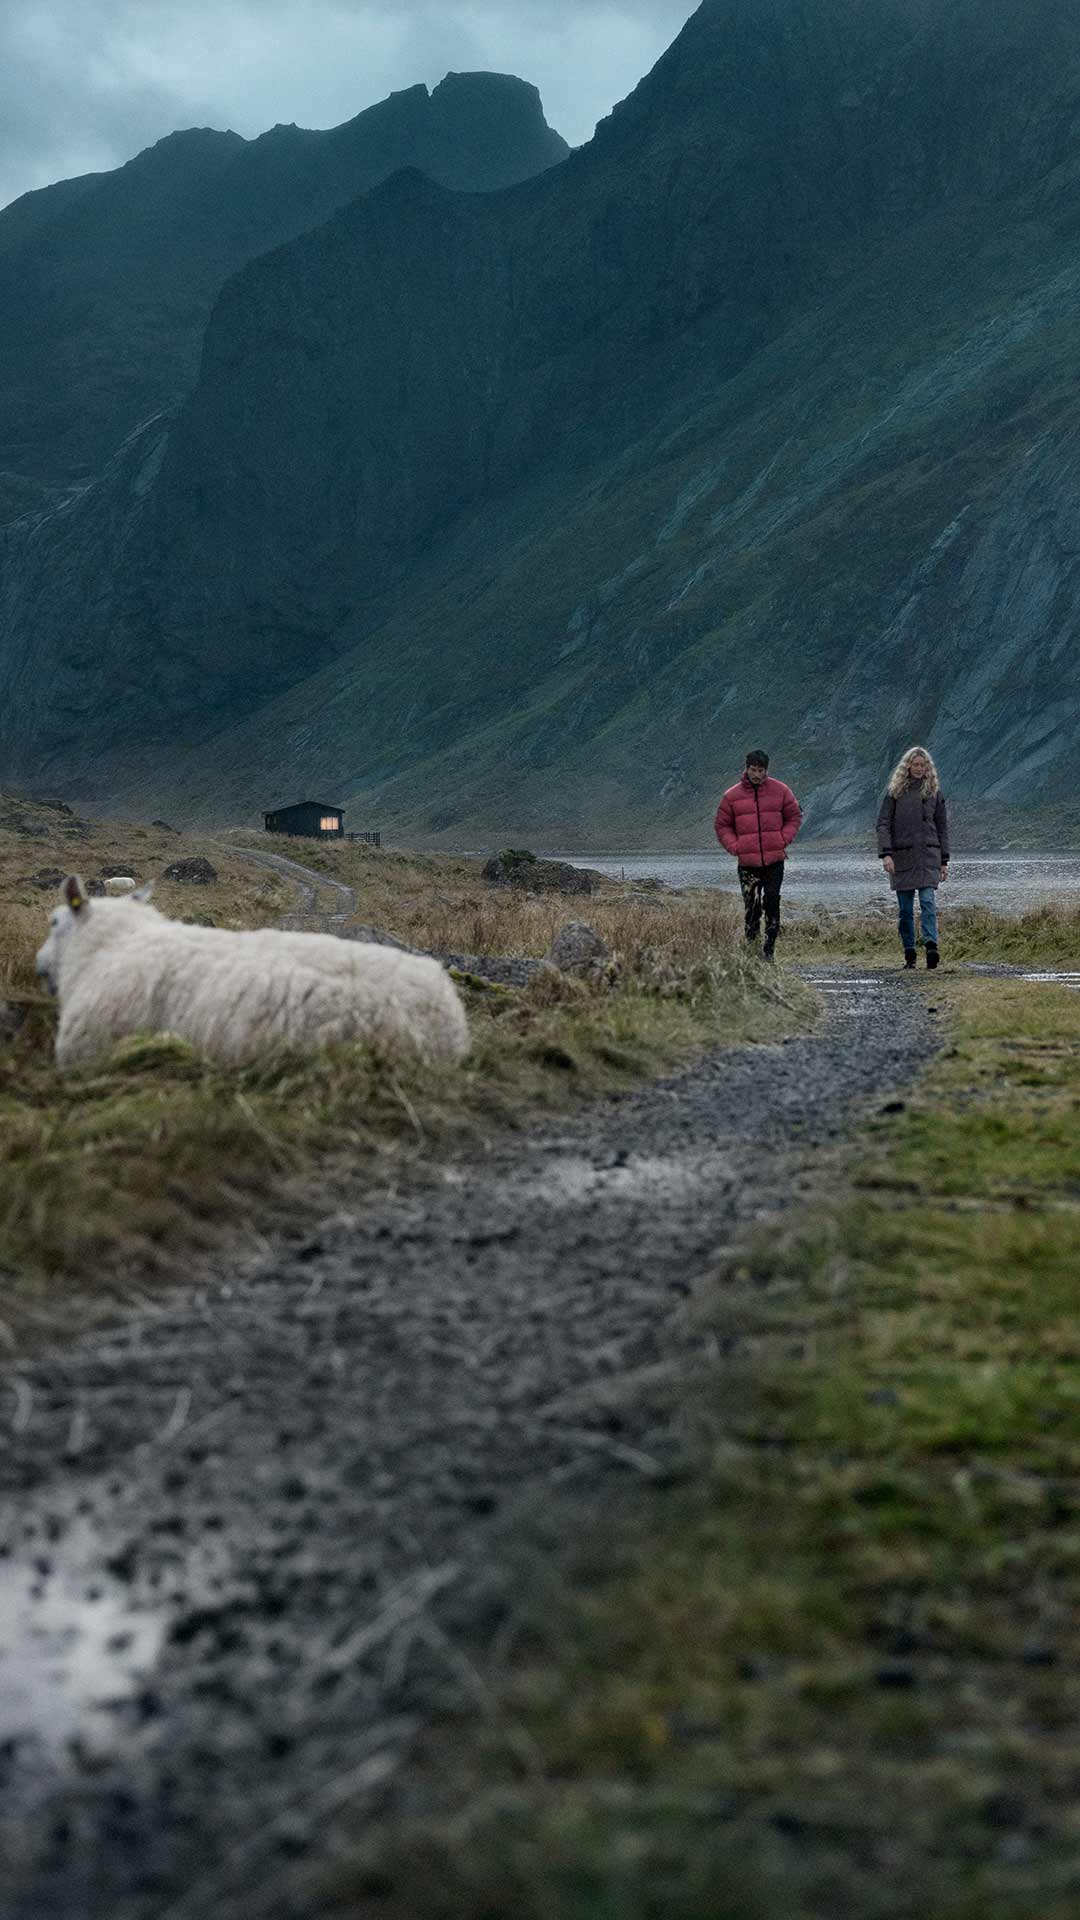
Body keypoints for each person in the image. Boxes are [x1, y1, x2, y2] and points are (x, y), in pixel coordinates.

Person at [715, 750, 803, 959]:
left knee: (772, 902)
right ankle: (752, 949)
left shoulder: (781, 791)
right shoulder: (731, 796)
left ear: (766, 770)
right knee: (751, 907)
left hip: (774, 860)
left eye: (760, 770)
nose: (756, 774)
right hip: (747, 862)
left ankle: (769, 949)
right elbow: (722, 825)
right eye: (753, 770)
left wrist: (783, 839)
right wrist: (735, 847)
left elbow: (794, 816)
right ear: (746, 768)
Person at [876, 745, 950, 969]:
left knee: (928, 902)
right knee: (905, 910)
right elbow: (883, 824)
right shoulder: (894, 792)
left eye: (923, 765)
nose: (919, 768)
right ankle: (909, 953)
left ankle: (931, 948)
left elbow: (942, 827)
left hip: (928, 856)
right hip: (902, 858)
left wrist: (944, 860)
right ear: (908, 766)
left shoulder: (934, 793)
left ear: (928, 767)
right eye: (915, 764)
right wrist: (886, 854)